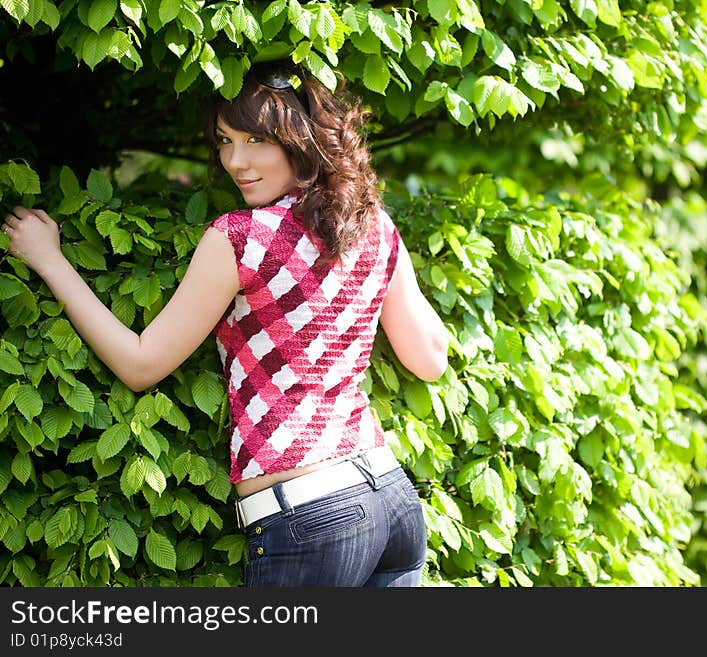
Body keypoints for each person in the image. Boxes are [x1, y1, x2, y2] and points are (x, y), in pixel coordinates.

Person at [2, 64, 450, 587]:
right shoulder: (372, 225)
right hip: (391, 500)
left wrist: (50, 260)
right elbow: (430, 359)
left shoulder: (240, 237)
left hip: (311, 513)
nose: (236, 161)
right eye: (224, 141)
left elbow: (142, 363)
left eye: (257, 140)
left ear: (301, 139)